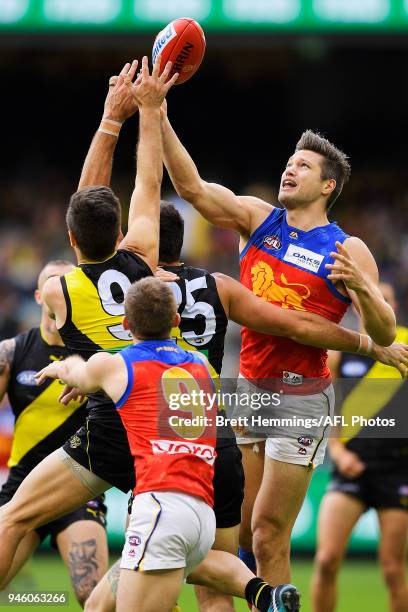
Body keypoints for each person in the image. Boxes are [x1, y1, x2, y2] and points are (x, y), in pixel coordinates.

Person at [83, 203, 407, 612]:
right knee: (237, 549)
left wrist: (79, 378)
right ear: (177, 322)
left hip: (163, 470)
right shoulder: (214, 299)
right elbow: (296, 324)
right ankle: (264, 594)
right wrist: (367, 343)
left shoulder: (123, 326)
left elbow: (180, 192)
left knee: (83, 568)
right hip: (218, 445)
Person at [160, 106, 398, 587]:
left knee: (270, 534)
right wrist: (158, 115)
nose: (290, 168)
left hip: (303, 395)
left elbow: (386, 332)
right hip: (249, 389)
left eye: (304, 166)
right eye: (290, 161)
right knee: (242, 532)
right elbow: (193, 190)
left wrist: (364, 290)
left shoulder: (347, 249)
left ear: (328, 186)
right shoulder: (259, 219)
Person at [0, 57, 178, 585]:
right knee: (180, 556)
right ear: (123, 230)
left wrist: (111, 118)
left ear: (72, 239)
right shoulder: (145, 256)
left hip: (106, 433)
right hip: (160, 426)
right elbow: (148, 179)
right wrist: (150, 110)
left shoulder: (58, 289)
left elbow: (87, 201)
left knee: (12, 515)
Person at [37, 277, 301, 612]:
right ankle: (262, 592)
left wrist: (62, 368)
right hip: (202, 513)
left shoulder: (116, 365)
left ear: (125, 323)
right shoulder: (201, 366)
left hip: (161, 504)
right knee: (97, 605)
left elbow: (78, 373)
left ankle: (260, 592)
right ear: (176, 321)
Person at [0, 260, 108, 606]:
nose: (58, 294)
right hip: (20, 488)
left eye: (66, 287)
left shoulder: (99, 357)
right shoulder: (12, 352)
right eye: (52, 285)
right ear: (38, 295)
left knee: (91, 594)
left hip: (78, 487)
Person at [311, 282, 408, 612]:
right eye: (375, 299)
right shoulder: (342, 352)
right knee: (325, 560)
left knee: (394, 570)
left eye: (388, 300)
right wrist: (338, 451)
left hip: (396, 470)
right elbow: (330, 411)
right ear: (358, 307)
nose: (383, 306)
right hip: (350, 465)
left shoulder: (407, 346)